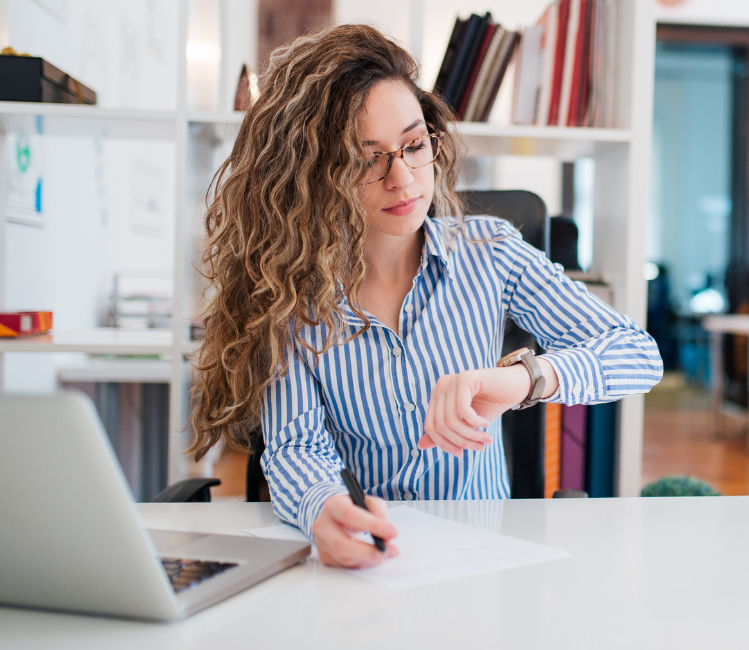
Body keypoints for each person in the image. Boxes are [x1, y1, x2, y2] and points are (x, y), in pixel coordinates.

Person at [187, 25, 662, 569]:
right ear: (314, 175)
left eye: (414, 145)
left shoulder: (491, 253)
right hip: (370, 563)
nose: (404, 177)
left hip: (480, 561)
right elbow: (297, 447)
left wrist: (526, 378)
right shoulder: (292, 295)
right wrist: (324, 510)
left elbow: (637, 353)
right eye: (366, 159)